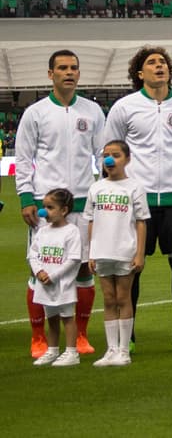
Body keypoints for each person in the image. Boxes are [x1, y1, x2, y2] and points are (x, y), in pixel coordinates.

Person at [103, 45, 172, 353]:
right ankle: (127, 337)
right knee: (131, 268)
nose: (159, 66)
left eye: (163, 62)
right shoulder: (125, 106)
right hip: (137, 202)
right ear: (139, 72)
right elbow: (112, 149)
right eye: (152, 62)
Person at [15, 49, 105, 358]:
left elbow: (101, 155)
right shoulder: (36, 112)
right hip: (47, 206)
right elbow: (24, 159)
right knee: (41, 269)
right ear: (50, 74)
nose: (69, 72)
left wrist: (104, 193)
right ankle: (39, 337)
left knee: (82, 271)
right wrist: (27, 197)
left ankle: (79, 334)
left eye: (74, 68)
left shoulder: (92, 111)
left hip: (83, 203)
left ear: (79, 74)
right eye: (62, 68)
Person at [86, 140, 148, 366]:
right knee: (109, 299)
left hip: (124, 250)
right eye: (106, 155)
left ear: (127, 159)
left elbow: (141, 222)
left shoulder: (134, 187)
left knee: (123, 297)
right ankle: (111, 349)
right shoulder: (96, 187)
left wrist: (139, 253)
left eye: (115, 155)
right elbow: (91, 220)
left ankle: (124, 350)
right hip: (102, 250)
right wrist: (91, 252)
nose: (109, 160)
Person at [28, 187, 83, 367]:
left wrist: (53, 275)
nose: (44, 212)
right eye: (44, 207)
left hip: (62, 284)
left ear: (64, 210)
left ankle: (71, 352)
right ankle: (52, 350)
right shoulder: (42, 231)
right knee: (51, 318)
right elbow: (33, 254)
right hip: (45, 284)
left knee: (67, 317)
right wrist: (39, 272)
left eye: (50, 207)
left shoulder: (71, 231)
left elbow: (73, 259)